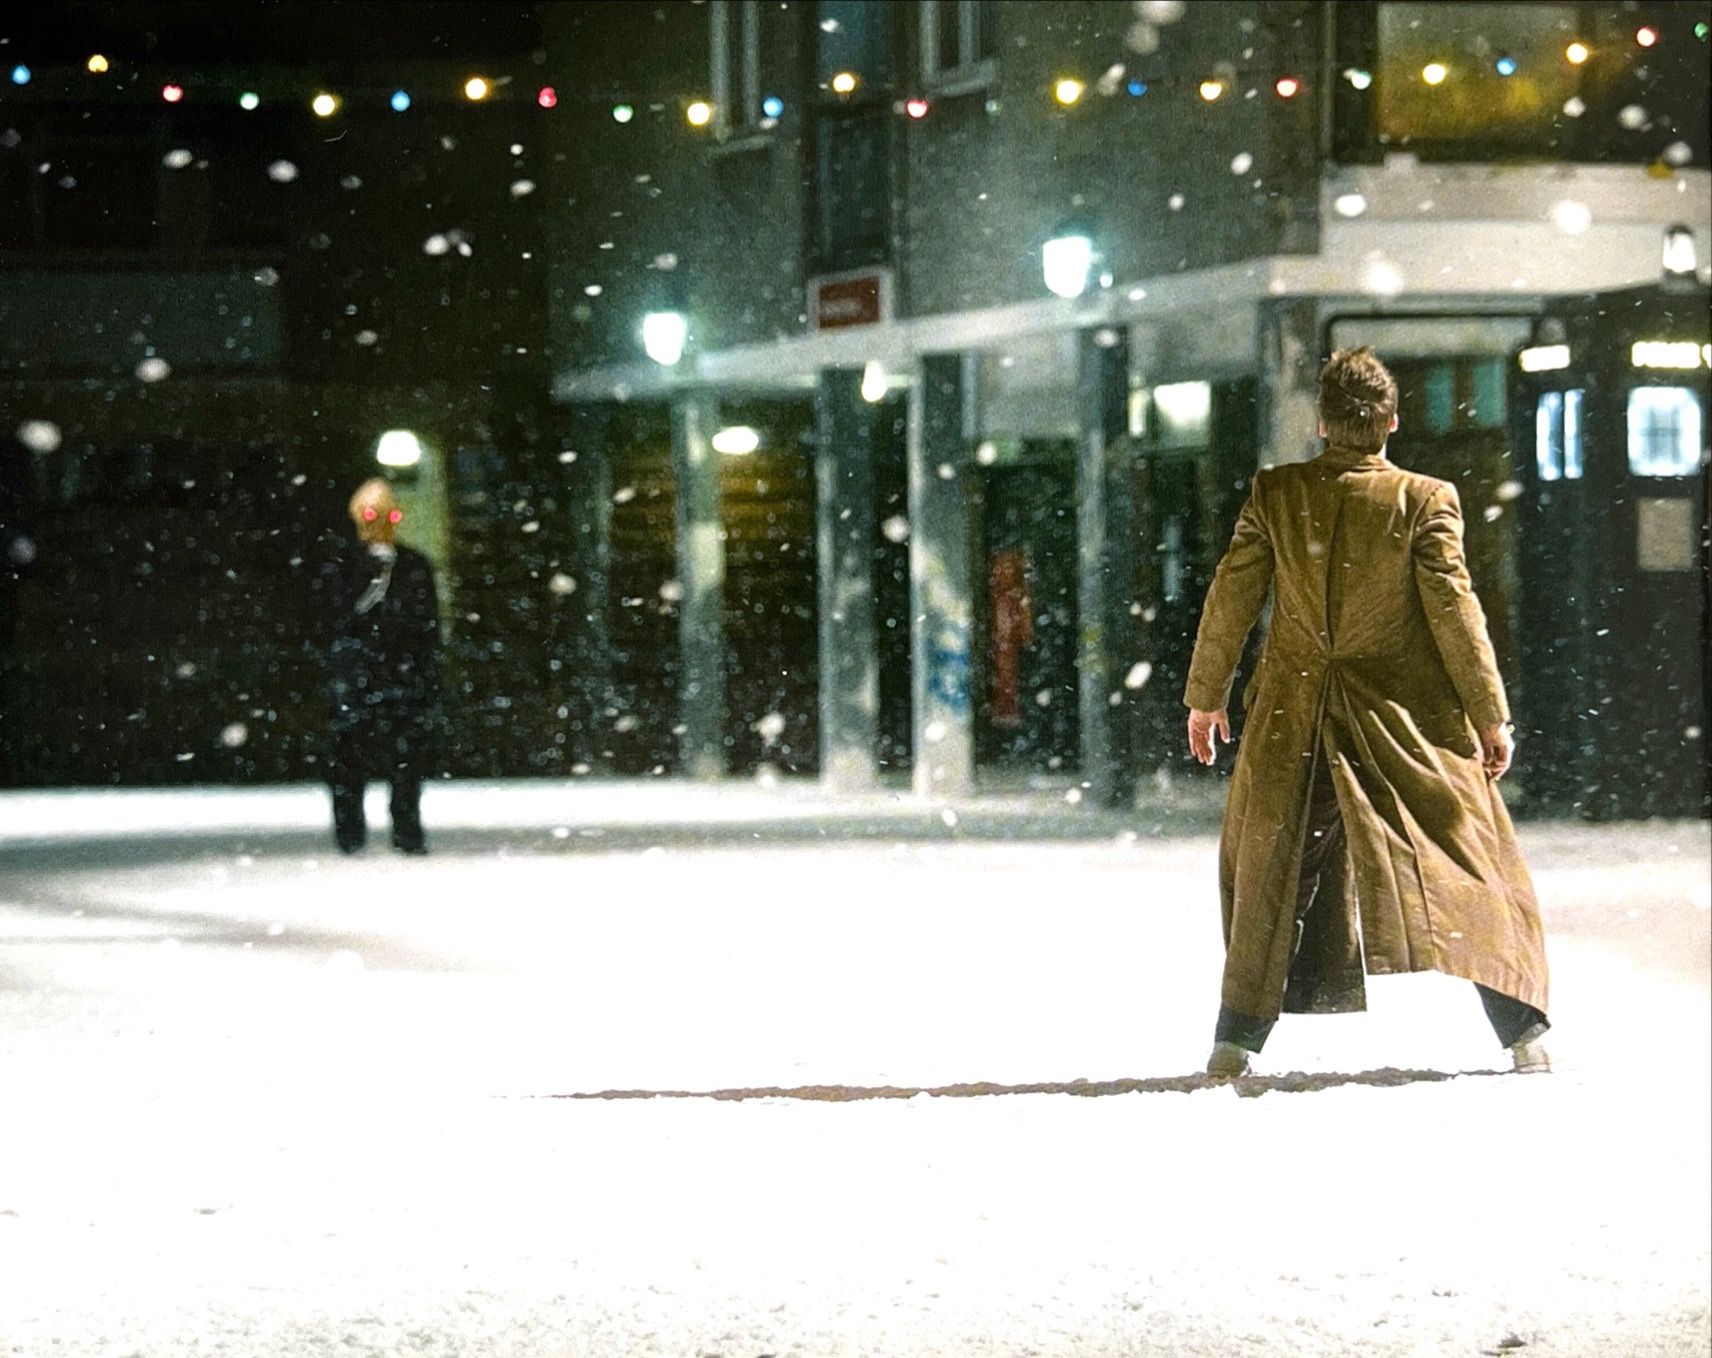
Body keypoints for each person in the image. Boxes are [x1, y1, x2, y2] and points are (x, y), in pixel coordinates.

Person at [1183, 347, 1550, 1079]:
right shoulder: (1425, 499)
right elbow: (1454, 611)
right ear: (1391, 420)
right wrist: (1488, 715)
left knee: (1273, 870)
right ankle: (1522, 1032)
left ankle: (1235, 1043)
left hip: (1295, 709)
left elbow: (1232, 595)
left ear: (1321, 422)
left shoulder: (1276, 494)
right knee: (1467, 857)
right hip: (1402, 716)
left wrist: (1206, 696)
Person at [321, 477, 441, 855]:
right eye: (372, 514)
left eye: (388, 513)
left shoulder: (414, 566)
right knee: (348, 761)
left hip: (401, 676)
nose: (380, 523)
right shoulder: (343, 564)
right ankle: (350, 833)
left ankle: (407, 831)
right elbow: (337, 614)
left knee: (407, 762)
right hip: (358, 676)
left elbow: (427, 624)